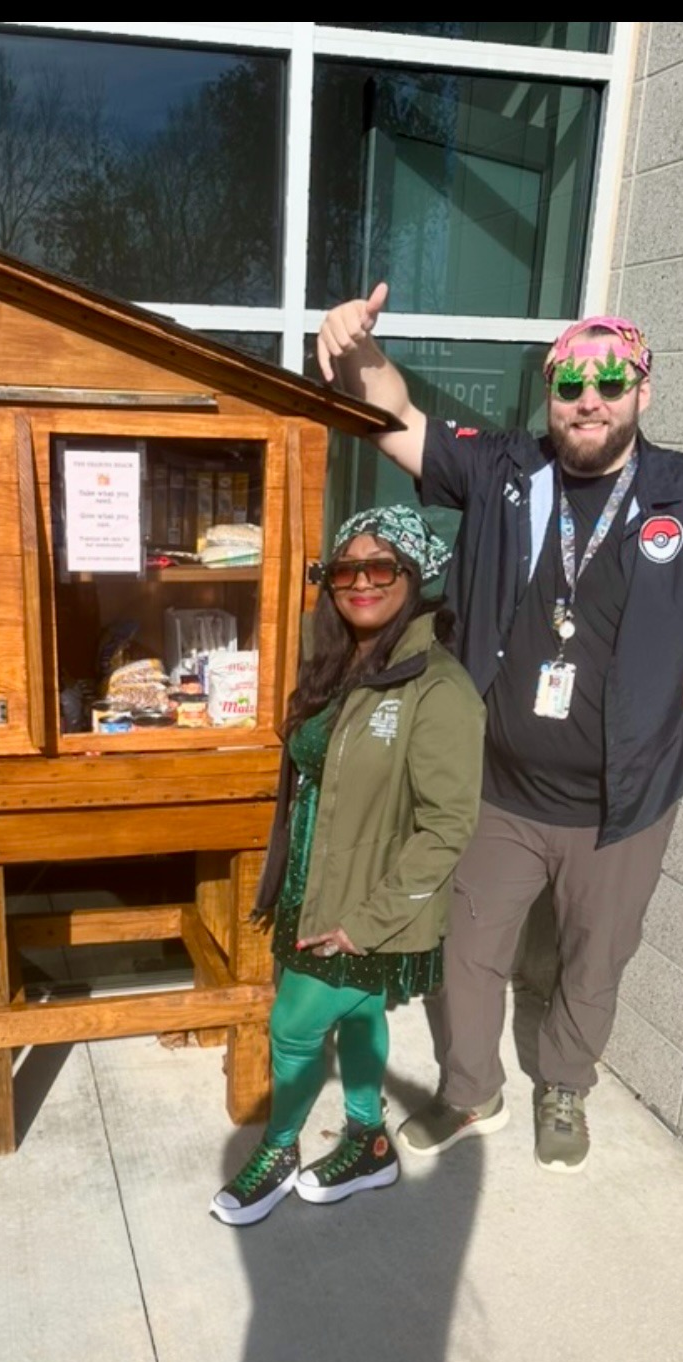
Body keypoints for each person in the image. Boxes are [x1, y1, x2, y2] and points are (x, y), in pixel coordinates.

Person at [316, 285, 683, 1174]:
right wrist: (354, 348)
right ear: (548, 393)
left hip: (623, 803)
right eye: (568, 383)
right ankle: (469, 1088)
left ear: (642, 390)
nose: (586, 399)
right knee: (469, 952)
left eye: (609, 380)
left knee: (595, 960)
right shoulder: (501, 468)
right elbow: (393, 415)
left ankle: (562, 1082)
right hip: (495, 789)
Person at [210, 505, 485, 1225]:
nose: (359, 581)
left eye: (379, 567)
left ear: (414, 575)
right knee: (360, 1013)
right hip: (313, 881)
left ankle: (276, 1148)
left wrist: (367, 921)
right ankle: (368, 1140)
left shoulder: (437, 687)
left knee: (294, 1025)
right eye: (344, 568)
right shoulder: (340, 662)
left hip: (368, 900)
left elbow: (448, 824)